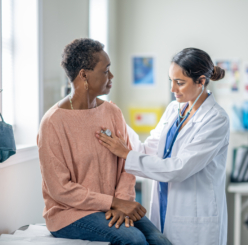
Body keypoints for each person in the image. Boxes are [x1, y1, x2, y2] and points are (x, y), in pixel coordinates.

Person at [37, 38, 172, 245]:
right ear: (84, 74)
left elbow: (126, 164)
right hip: (70, 213)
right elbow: (60, 189)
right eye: (105, 70)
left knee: (160, 241)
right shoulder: (53, 123)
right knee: (133, 239)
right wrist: (113, 202)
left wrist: (122, 203)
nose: (111, 76)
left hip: (113, 206)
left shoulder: (112, 112)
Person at [96, 48, 230, 245]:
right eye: (171, 81)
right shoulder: (173, 110)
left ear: (201, 81)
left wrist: (125, 153)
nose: (173, 89)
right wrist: (119, 122)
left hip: (195, 217)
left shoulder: (216, 119)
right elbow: (147, 151)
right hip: (165, 209)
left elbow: (179, 168)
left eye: (180, 83)